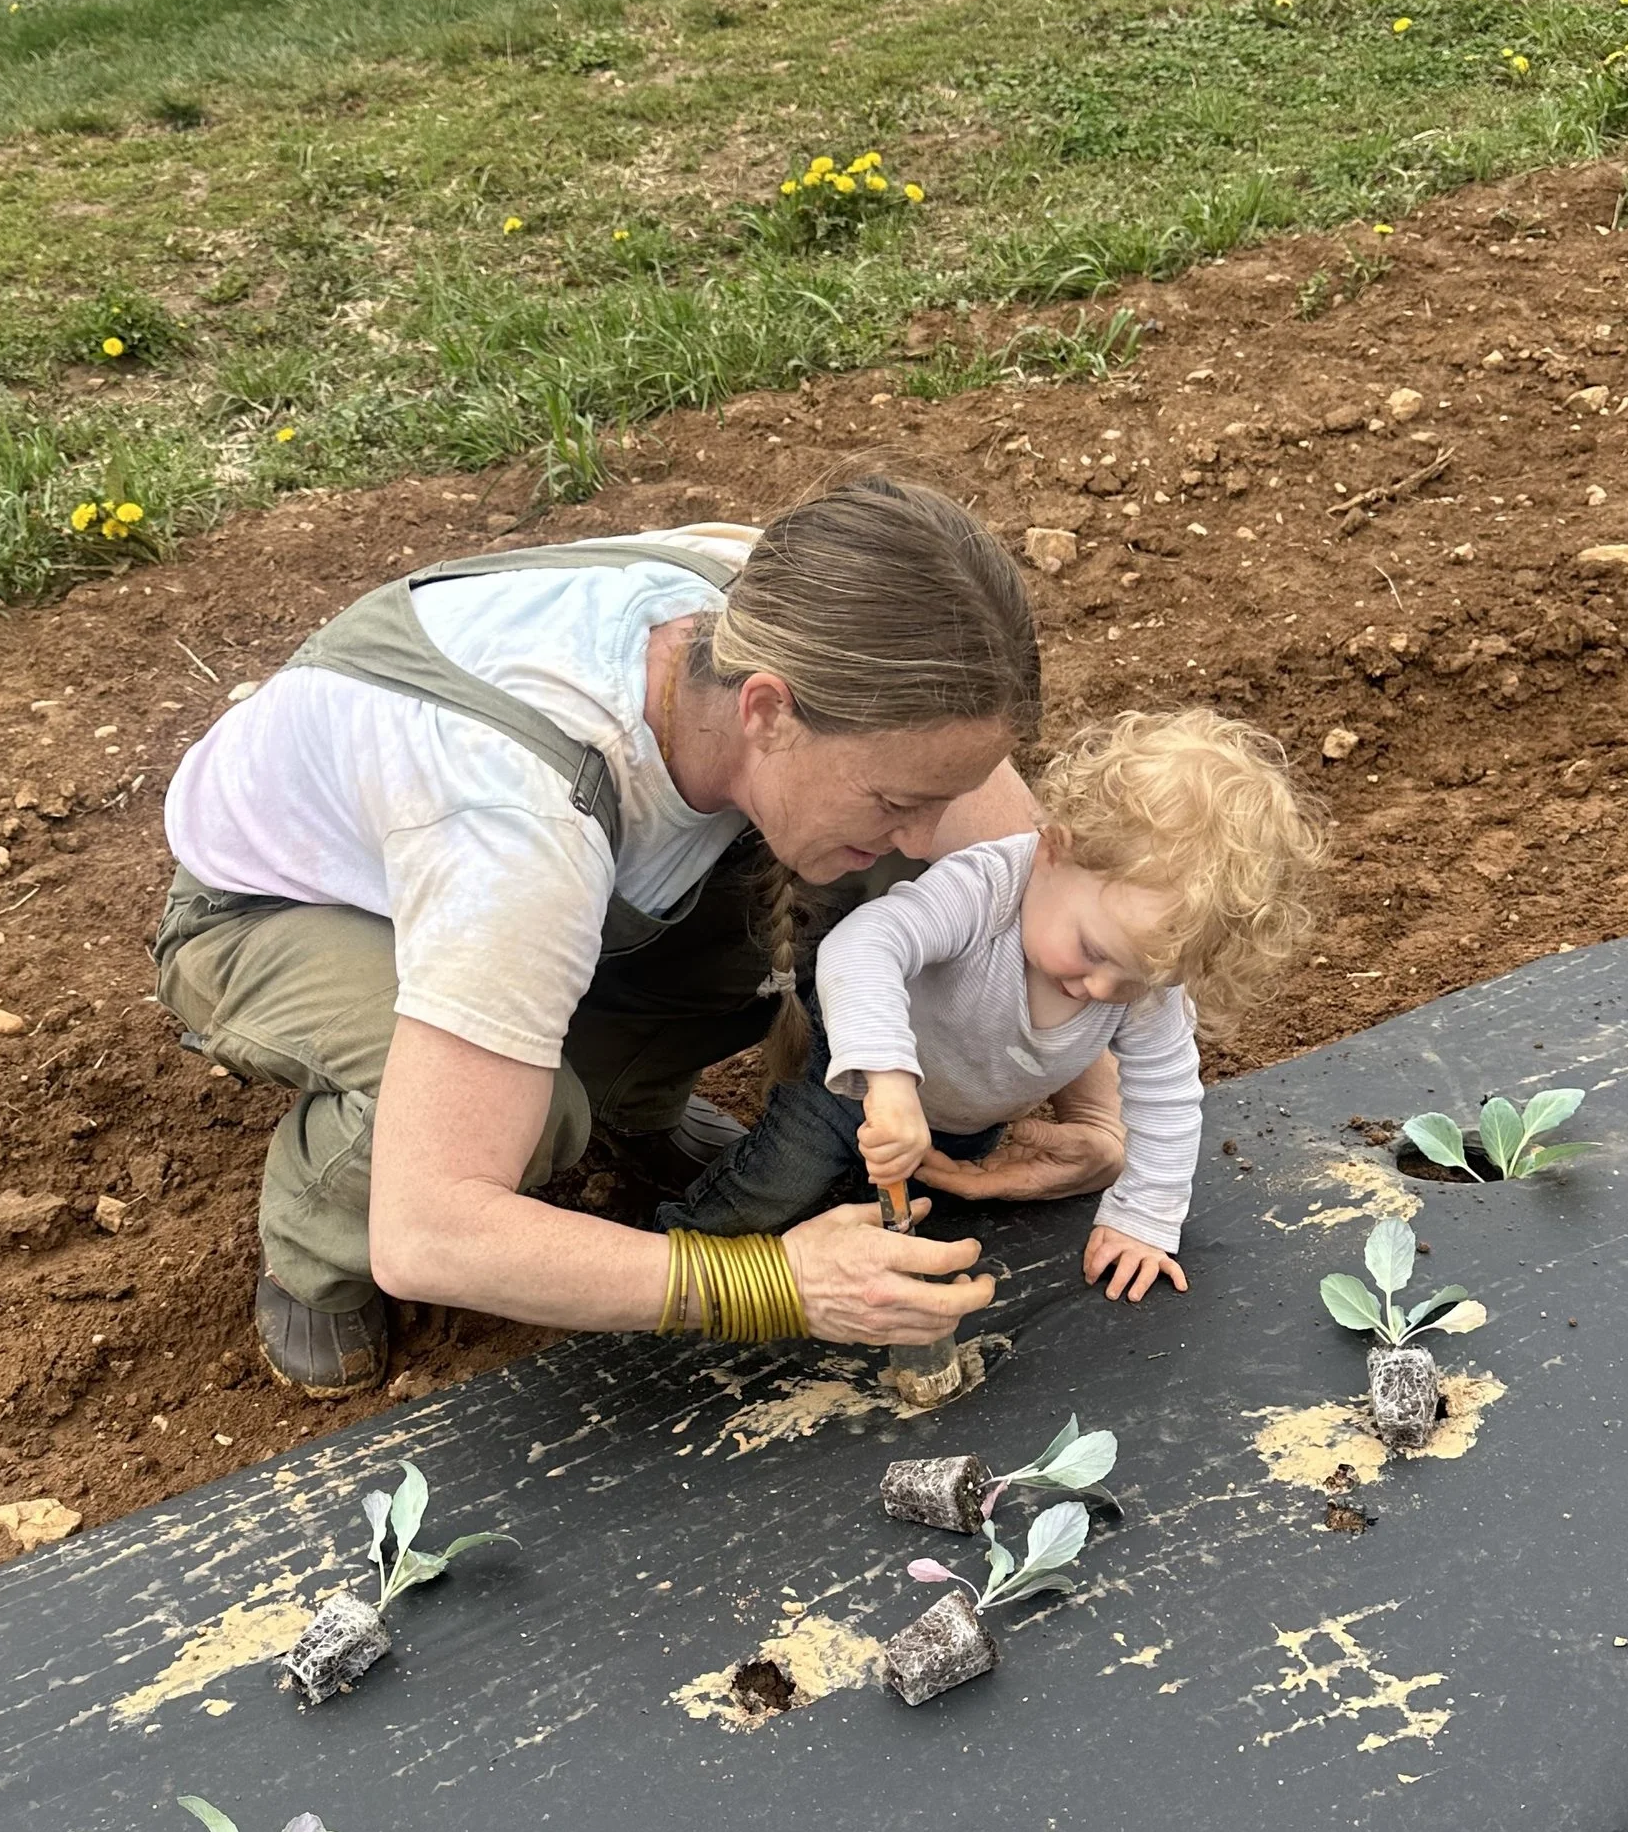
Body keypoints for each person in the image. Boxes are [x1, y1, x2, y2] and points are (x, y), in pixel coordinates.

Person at [153, 477, 1126, 1392]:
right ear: (767, 711)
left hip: (493, 884)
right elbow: (432, 1228)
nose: (921, 834)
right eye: (897, 798)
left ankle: (630, 1099)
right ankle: (315, 1246)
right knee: (531, 1127)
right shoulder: (522, 828)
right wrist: (776, 1284)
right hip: (277, 912)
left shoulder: (805, 617)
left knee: (842, 879)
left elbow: (1018, 882)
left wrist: (1090, 1110)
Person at [661, 708, 1325, 1299]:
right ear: (1055, 850)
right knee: (778, 1186)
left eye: (1136, 979)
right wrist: (888, 1083)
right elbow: (863, 945)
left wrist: (1144, 1218)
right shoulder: (987, 890)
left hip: (969, 1125)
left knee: (919, 1230)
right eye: (1092, 951)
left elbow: (1168, 1095)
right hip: (852, 1091)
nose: (1101, 990)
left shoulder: (1142, 975)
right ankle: (670, 1261)